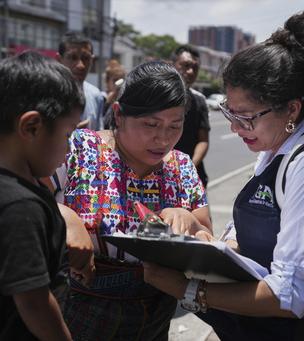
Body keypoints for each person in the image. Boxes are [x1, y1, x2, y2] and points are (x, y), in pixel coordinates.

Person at [143, 7, 304, 340]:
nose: (235, 128)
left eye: (247, 117)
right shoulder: (276, 152)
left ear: (292, 110)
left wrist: (189, 289)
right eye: (230, 111)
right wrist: (204, 240)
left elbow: (290, 295)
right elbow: (260, 239)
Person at [50, 60, 212, 340]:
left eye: (175, 126)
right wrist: (64, 216)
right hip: (73, 317)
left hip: (153, 321)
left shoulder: (182, 167)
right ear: (119, 114)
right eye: (151, 124)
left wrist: (190, 223)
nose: (163, 139)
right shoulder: (77, 149)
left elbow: (208, 242)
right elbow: (20, 196)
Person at [0, 51, 86, 340]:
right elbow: (35, 304)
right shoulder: (14, 205)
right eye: (67, 136)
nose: (68, 150)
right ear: (31, 127)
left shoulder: (0, 183)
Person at [171, 45, 211, 187]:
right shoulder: (155, 98)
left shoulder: (199, 100)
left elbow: (203, 140)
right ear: (172, 65)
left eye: (195, 68)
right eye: (185, 65)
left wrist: (188, 167)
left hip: (192, 177)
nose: (190, 71)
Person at [57, 30, 104, 131]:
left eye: (85, 58)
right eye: (73, 57)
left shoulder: (95, 95)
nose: (80, 65)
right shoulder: (49, 93)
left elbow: (99, 136)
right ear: (59, 60)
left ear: (92, 61)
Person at [102, 59, 125, 128]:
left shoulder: (124, 99)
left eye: (121, 80)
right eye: (115, 80)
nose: (118, 84)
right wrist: (109, 103)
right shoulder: (102, 97)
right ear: (107, 81)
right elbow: (102, 122)